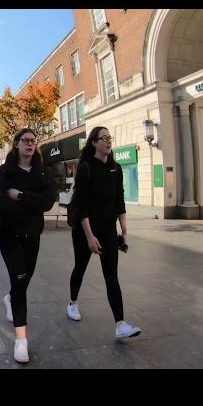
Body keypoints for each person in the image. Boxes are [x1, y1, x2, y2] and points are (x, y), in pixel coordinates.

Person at [66, 126, 142, 340]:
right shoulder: (86, 168)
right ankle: (72, 303)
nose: (108, 141)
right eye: (103, 138)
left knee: (111, 277)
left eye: (110, 138)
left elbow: (120, 200)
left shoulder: (116, 168)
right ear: (94, 143)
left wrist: (124, 230)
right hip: (85, 231)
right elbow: (81, 205)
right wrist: (90, 236)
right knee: (80, 268)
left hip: (108, 231)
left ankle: (120, 324)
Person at [0, 128, 57, 364]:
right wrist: (31, 204)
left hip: (33, 235)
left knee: (26, 277)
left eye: (32, 141)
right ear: (16, 144)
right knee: (19, 281)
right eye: (25, 140)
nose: (30, 144)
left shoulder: (42, 172)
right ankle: (21, 339)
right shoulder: (5, 171)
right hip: (10, 236)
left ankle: (8, 298)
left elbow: (48, 201)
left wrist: (19, 196)